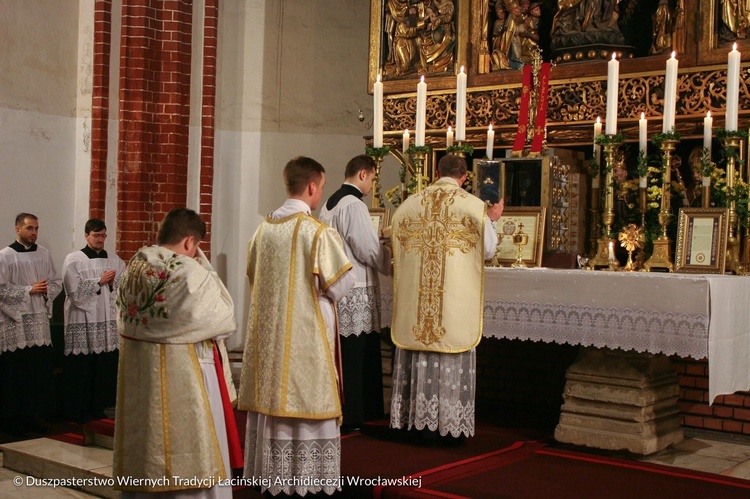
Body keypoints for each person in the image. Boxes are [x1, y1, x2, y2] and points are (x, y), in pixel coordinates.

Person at [239, 156, 355, 496]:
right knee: (306, 404)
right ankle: (305, 481)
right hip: (307, 340)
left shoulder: (263, 229)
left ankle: (274, 476)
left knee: (274, 404)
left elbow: (253, 277)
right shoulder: (316, 232)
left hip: (269, 341)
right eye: (320, 187)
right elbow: (339, 286)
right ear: (312, 186)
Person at [113, 208, 240, 498]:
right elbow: (225, 320)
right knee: (190, 455)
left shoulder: (134, 266)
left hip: (142, 378)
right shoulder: (189, 273)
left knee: (148, 447)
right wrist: (203, 267)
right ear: (189, 242)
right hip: (186, 377)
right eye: (196, 247)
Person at [389, 154, 503, 443]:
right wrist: (491, 221)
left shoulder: (409, 205)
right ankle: (447, 427)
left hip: (418, 305)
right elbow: (488, 250)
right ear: (464, 177)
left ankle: (414, 422)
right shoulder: (474, 207)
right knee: (450, 348)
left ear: (436, 172)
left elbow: (396, 242)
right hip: (451, 303)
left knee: (419, 353)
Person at [319, 154, 392, 432]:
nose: (373, 184)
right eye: (373, 178)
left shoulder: (330, 202)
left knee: (345, 353)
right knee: (358, 353)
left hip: (339, 286)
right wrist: (388, 255)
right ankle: (357, 414)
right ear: (362, 174)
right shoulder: (354, 205)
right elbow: (367, 250)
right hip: (356, 287)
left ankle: (344, 410)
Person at [0, 213, 62, 436]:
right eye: (29, 228)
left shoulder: (44, 254)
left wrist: (47, 291)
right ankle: (11, 422)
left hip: (38, 323)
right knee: (16, 373)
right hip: (15, 324)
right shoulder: (5, 256)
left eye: (36, 228)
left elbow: (56, 281)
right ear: (17, 229)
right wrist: (29, 290)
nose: (34, 233)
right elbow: (1, 289)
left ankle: (33, 418)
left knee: (36, 374)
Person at [62, 218, 125, 424]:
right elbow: (73, 291)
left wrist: (114, 287)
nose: (100, 239)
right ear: (86, 235)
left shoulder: (115, 260)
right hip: (83, 317)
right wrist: (99, 281)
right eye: (96, 235)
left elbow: (121, 289)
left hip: (106, 320)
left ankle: (97, 408)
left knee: (102, 367)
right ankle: (77, 410)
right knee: (83, 366)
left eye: (103, 235)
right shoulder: (74, 259)